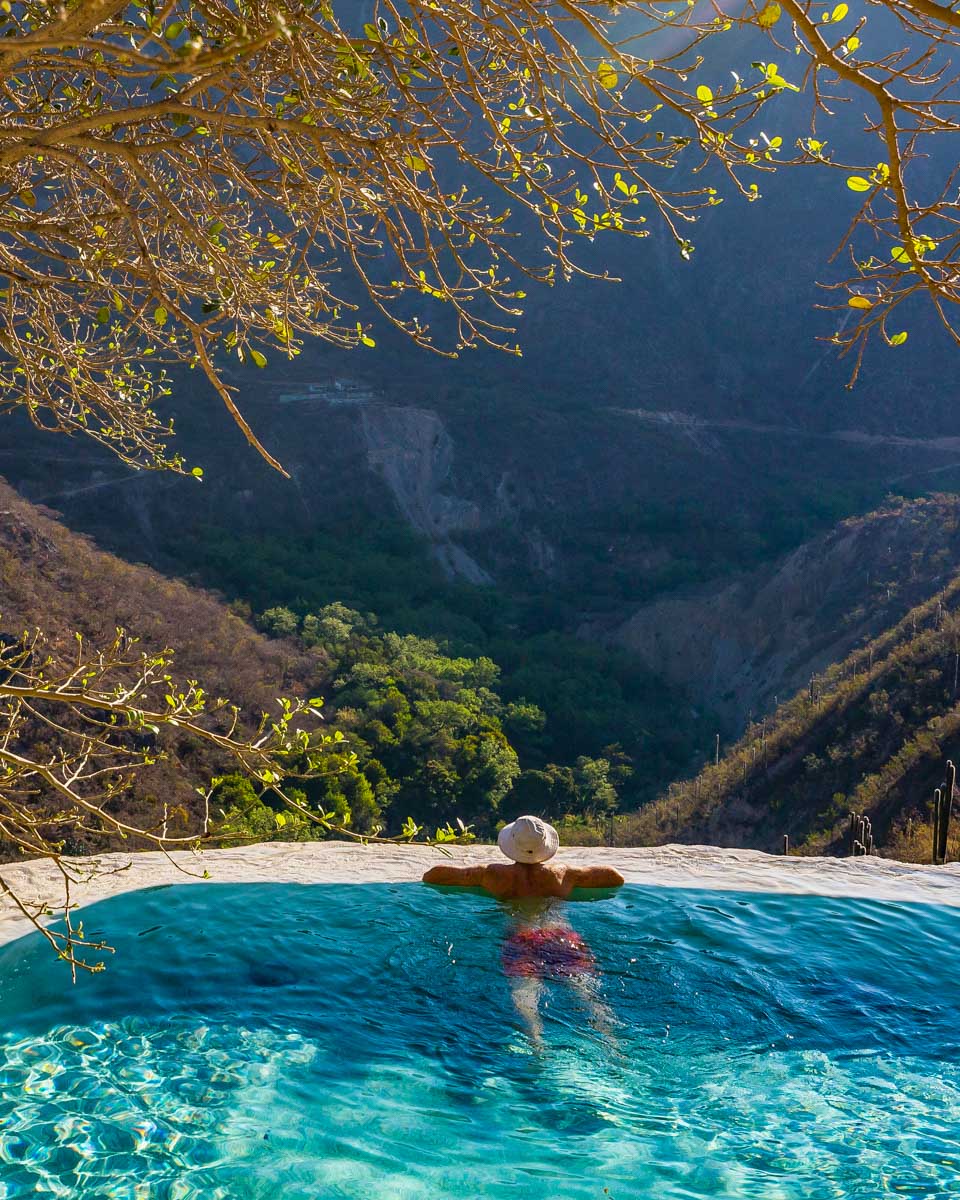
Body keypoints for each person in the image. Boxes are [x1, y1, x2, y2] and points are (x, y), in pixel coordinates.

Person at [423, 815, 624, 1048]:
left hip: (521, 939)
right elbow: (615, 877)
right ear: (545, 846)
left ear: (511, 845)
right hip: (561, 937)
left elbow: (432, 875)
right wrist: (573, 876)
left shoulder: (493, 874)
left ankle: (537, 1047)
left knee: (527, 1002)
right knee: (589, 997)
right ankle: (613, 1043)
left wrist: (476, 874)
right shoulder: (562, 873)